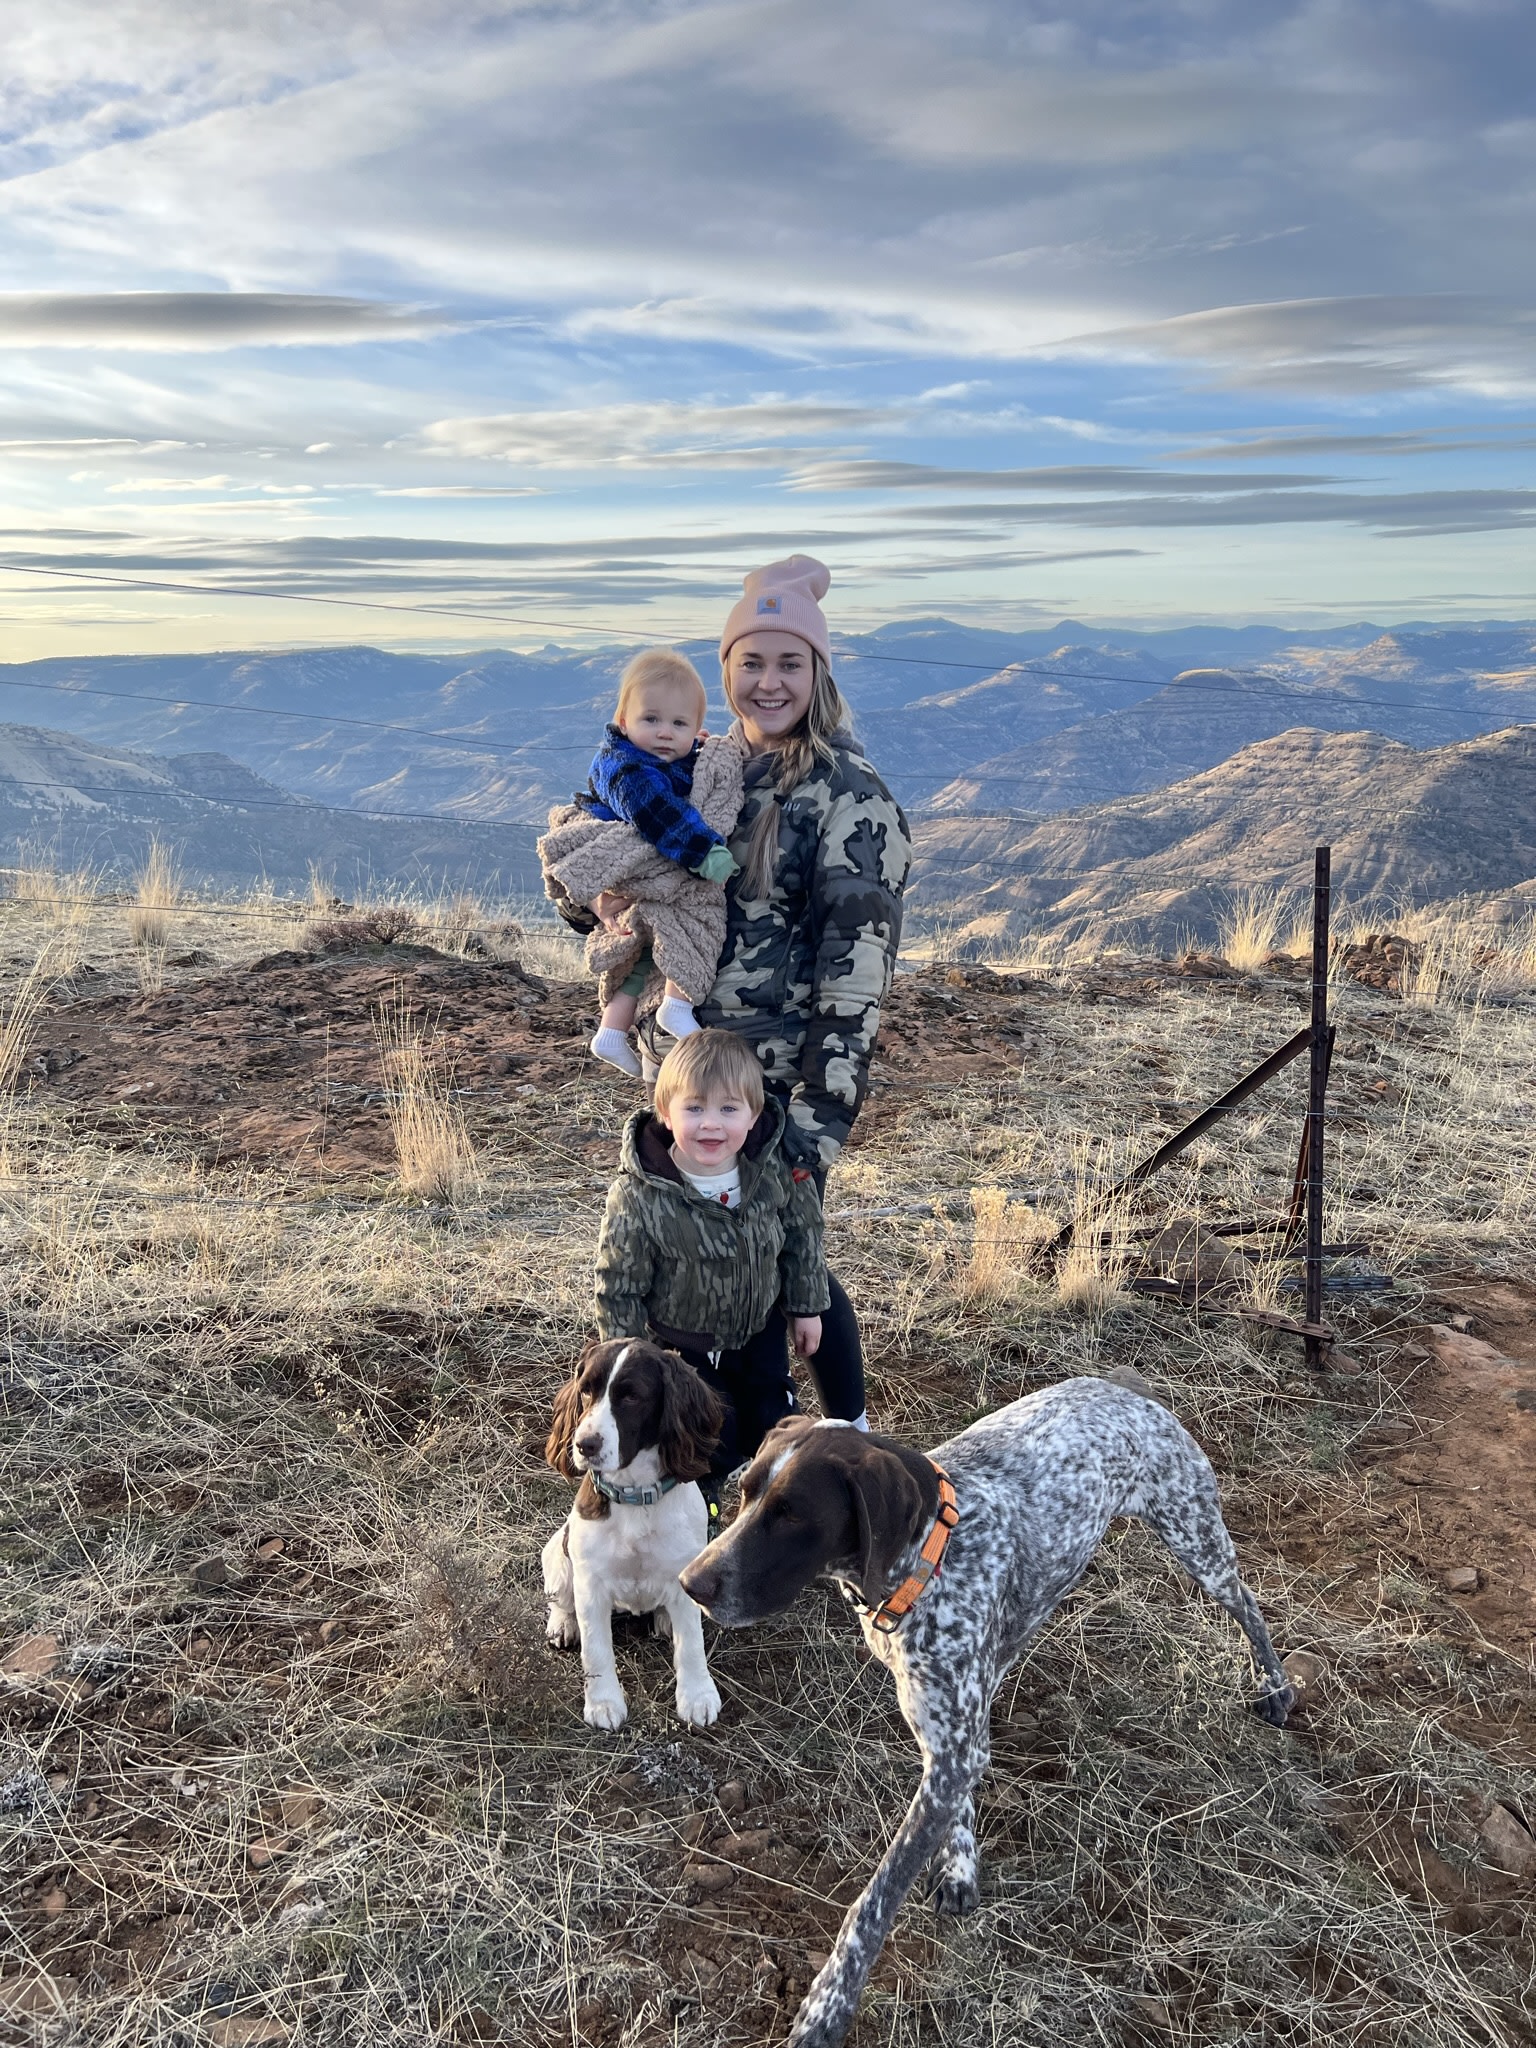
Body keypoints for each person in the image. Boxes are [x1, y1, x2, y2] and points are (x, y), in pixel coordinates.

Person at [575, 555, 911, 1433]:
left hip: (771, 1086)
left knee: (784, 1259)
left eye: (789, 662)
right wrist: (591, 901)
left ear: (819, 670)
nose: (769, 682)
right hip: (683, 1070)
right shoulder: (701, 766)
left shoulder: (850, 797)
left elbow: (857, 972)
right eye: (751, 662)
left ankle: (843, 1440)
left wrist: (819, 1118)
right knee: (686, 1259)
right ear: (724, 669)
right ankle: (694, 1450)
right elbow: (624, 862)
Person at [594, 1029, 828, 1505]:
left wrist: (807, 1308)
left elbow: (803, 1236)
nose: (711, 1125)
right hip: (682, 1348)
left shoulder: (774, 1170)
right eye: (694, 1108)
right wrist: (626, 1361)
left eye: (728, 1109)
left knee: (772, 1421)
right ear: (666, 1112)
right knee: (704, 1435)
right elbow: (618, 1284)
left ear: (754, 1114)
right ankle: (707, 1510)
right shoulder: (641, 1193)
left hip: (760, 1333)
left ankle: (773, 1509)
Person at [538, 648, 743, 1076]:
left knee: (645, 949)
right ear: (623, 720)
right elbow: (661, 817)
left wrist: (694, 751)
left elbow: (677, 778)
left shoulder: (658, 758)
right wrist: (706, 854)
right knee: (690, 920)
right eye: (651, 719)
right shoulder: (627, 769)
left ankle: (612, 1032)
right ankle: (676, 1005)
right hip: (633, 859)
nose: (665, 733)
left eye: (679, 724)